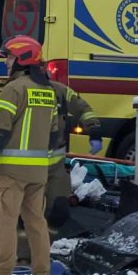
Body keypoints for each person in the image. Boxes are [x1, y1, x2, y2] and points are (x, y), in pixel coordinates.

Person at [0, 35, 57, 275]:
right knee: (36, 222)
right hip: (39, 170)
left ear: (21, 59)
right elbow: (54, 135)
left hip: (11, 170)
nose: (7, 62)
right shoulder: (48, 90)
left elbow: (1, 131)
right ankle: (42, 271)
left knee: (6, 221)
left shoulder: (14, 88)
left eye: (10, 57)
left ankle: (2, 270)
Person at [46, 81, 103, 230]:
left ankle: (41, 248)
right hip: (30, 168)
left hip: (54, 167)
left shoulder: (59, 91)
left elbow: (82, 108)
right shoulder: (18, 89)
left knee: (58, 212)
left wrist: (94, 131)